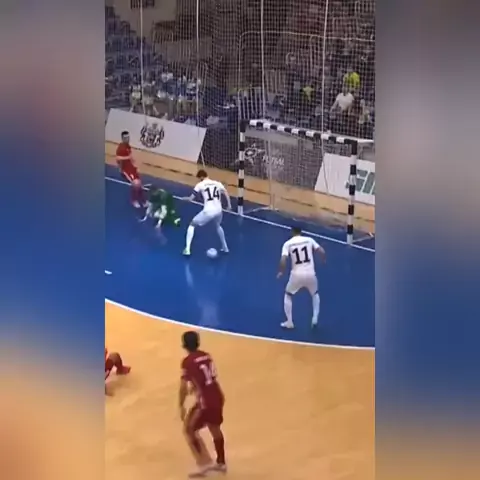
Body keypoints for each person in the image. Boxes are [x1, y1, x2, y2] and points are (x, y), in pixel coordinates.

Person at [179, 331, 226, 477]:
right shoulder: (207, 355)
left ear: (184, 345)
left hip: (205, 402)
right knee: (214, 427)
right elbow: (208, 377)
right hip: (217, 396)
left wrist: (181, 405)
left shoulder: (187, 362)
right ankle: (221, 462)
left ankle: (204, 463)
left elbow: (183, 387)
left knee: (189, 429)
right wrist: (196, 386)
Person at [277, 226, 326, 329]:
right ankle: (315, 318)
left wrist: (281, 272)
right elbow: (321, 251)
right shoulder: (309, 240)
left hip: (296, 275)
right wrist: (323, 260)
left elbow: (283, 259)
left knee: (288, 294)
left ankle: (289, 322)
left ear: (292, 232)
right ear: (301, 231)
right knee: (315, 294)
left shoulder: (288, 244)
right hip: (310, 274)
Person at [180, 170, 231, 256]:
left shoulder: (200, 185)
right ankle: (225, 247)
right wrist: (229, 205)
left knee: (192, 224)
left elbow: (191, 198)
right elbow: (225, 192)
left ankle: (187, 249)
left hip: (208, 211)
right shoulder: (217, 183)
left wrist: (183, 198)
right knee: (218, 225)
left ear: (201, 177)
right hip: (219, 210)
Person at [115, 130, 145, 208]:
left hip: (131, 167)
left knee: (139, 184)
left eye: (128, 137)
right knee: (135, 183)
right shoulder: (121, 147)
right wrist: (128, 158)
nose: (127, 139)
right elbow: (118, 158)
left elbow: (130, 155)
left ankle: (143, 200)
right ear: (122, 138)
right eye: (125, 138)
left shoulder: (128, 146)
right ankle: (134, 200)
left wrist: (134, 163)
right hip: (125, 169)